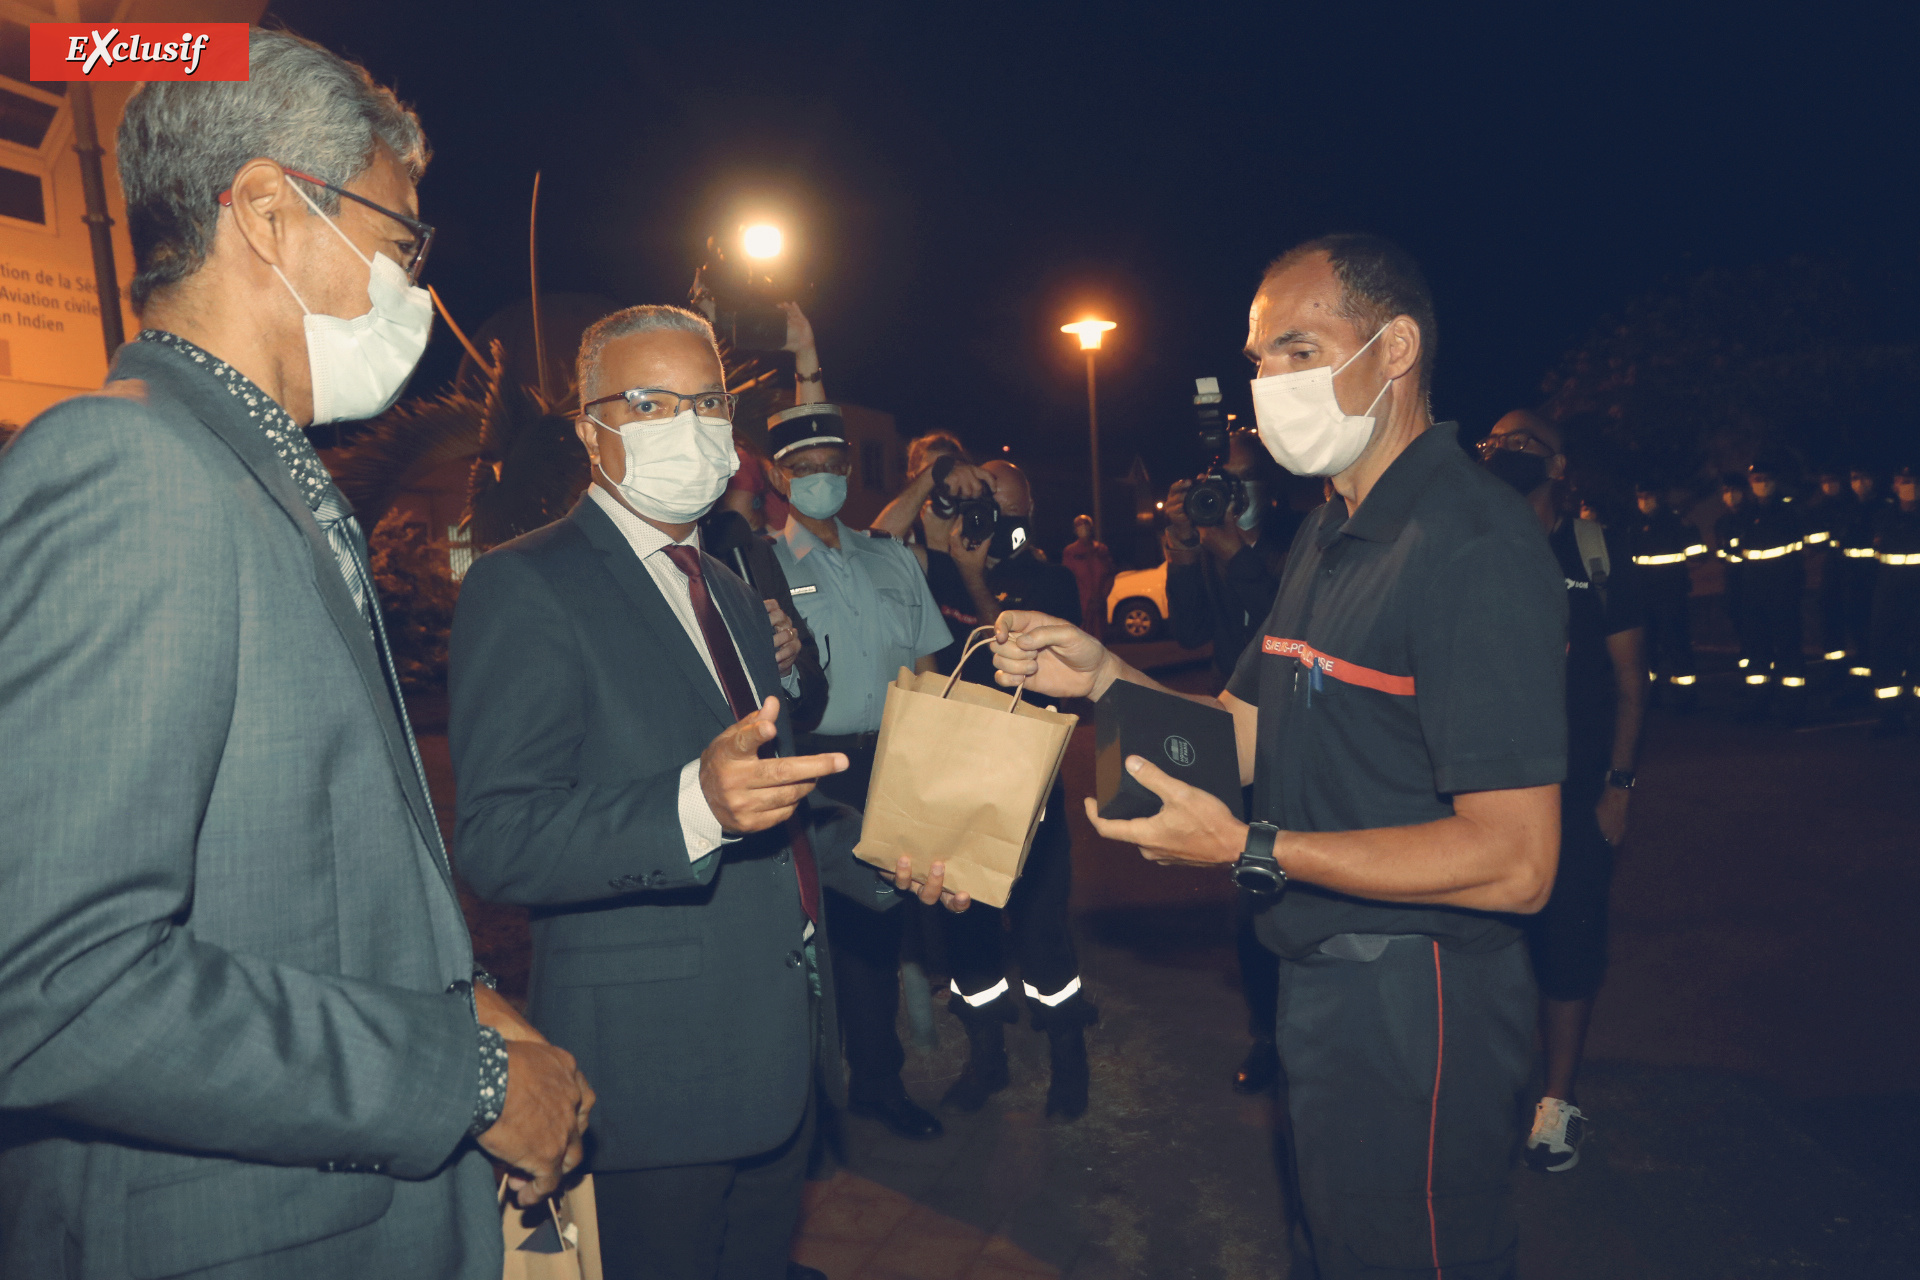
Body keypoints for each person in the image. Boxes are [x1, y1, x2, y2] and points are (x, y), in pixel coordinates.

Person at [0, 30, 595, 1279]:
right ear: (268, 210)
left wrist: (458, 993)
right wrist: (463, 1073)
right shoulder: (135, 471)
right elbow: (54, 983)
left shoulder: (249, 469)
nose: (413, 287)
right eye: (400, 238)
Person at [991, 233, 1564, 1278]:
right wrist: (1106, 675)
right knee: (1338, 1245)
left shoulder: (1470, 543)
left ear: (1394, 348)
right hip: (1323, 979)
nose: (1269, 388)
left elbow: (1519, 860)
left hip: (1421, 996)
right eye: (1259, 362)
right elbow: (1245, 727)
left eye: (1299, 352)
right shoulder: (1330, 527)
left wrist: (1255, 846)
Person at [449, 304, 968, 1280]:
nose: (684, 424)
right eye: (649, 400)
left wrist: (884, 858)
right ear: (587, 429)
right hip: (650, 1073)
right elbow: (496, 835)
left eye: (706, 401)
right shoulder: (527, 585)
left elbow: (768, 793)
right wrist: (692, 805)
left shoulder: (727, 587)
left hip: (777, 1045)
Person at [765, 401, 958, 1141]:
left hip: (892, 758)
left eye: (831, 466)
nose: (820, 479)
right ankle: (807, 1103)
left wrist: (934, 759)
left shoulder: (890, 557)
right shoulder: (760, 567)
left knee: (880, 930)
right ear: (780, 477)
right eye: (804, 469)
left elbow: (928, 662)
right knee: (809, 941)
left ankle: (878, 1082)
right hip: (808, 767)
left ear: (848, 472)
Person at [1481, 411, 1646, 1173]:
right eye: (1495, 442)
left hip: (1577, 793)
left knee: (1571, 942)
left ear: (1557, 464)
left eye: (1523, 443)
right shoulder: (1472, 547)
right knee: (1484, 942)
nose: (1505, 451)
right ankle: (1485, 1085)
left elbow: (1628, 684)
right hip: (1482, 791)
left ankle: (1557, 1102)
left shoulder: (1594, 552)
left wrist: (1618, 784)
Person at [936, 460, 1101, 1121]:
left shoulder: (1050, 580)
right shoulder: (937, 571)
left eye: (1009, 508)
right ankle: (986, 1058)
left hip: (1028, 784)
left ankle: (1068, 1060)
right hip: (950, 781)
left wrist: (978, 579)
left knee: (1041, 932)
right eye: (985, 508)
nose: (997, 523)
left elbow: (1026, 674)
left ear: (1031, 509)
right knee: (968, 936)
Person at [1161, 430, 1293, 1094]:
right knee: (1253, 896)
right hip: (1243, 748)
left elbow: (1288, 629)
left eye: (1242, 484)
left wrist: (1237, 551)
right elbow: (1186, 633)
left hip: (1306, 741)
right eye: (1222, 484)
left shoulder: (1300, 540)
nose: (1229, 498)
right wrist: (1184, 550)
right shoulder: (1215, 547)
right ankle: (1266, 1034)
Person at [1725, 456, 1809, 715]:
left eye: (1764, 479)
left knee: (1787, 647)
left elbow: (1799, 550)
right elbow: (1736, 550)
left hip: (1783, 590)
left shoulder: (1788, 511)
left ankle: (1792, 705)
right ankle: (1758, 702)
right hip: (1753, 591)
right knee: (1756, 648)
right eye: (1756, 480)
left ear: (1774, 481)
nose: (1760, 484)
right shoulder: (1747, 514)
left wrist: (1793, 587)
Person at [1628, 479, 1704, 705]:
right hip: (1644, 596)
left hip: (1672, 595)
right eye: (1640, 496)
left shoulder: (1675, 522)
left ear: (1658, 497)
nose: (1644, 501)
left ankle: (1685, 696)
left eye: (1648, 496)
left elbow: (1698, 554)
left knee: (1676, 644)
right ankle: (1650, 693)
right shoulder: (1633, 525)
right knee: (1646, 647)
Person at [1866, 462, 1920, 733]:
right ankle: (1890, 718)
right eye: (1902, 480)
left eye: (1912, 481)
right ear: (1894, 485)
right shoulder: (1884, 516)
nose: (1907, 486)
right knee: (1886, 655)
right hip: (1888, 595)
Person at [1805, 466, 1852, 666]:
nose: (1829, 485)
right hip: (1830, 568)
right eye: (1824, 481)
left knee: (1859, 621)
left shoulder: (1852, 505)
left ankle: (1862, 671)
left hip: (1855, 570)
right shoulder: (1817, 509)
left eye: (1832, 479)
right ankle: (1835, 667)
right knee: (1830, 619)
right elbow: (1812, 542)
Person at [1062, 512, 1117, 642]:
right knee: (1082, 639)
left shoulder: (1101, 550)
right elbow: (1067, 579)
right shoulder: (1071, 552)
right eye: (1079, 526)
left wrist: (1102, 595)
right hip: (1082, 604)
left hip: (1099, 604)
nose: (1083, 529)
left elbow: (1109, 575)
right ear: (1075, 530)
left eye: (1086, 525)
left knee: (1099, 638)